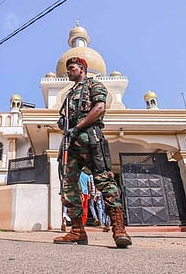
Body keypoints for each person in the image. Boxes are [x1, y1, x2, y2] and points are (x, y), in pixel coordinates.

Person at [54, 57, 131, 248]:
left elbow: (99, 108)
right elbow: (65, 117)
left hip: (90, 139)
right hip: (70, 143)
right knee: (68, 185)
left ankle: (119, 230)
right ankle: (77, 231)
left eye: (71, 68)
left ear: (82, 69)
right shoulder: (70, 94)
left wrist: (78, 126)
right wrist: (64, 124)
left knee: (105, 181)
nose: (68, 72)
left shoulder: (94, 85)